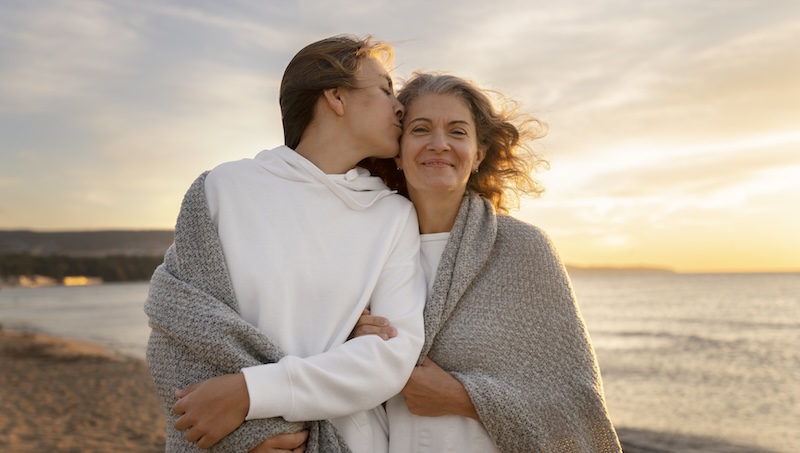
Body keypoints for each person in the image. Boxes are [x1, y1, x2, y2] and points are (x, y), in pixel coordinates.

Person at [145, 35, 427, 453]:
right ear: (336, 97)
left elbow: (391, 356)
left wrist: (251, 393)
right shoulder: (224, 188)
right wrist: (249, 438)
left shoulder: (392, 215)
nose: (399, 105)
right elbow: (178, 325)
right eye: (385, 90)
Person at [354, 72, 622, 452]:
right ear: (397, 150)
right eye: (420, 129)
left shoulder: (523, 249)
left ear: (479, 154)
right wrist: (351, 343)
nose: (439, 144)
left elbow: (576, 405)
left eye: (458, 132)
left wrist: (464, 398)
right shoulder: (363, 249)